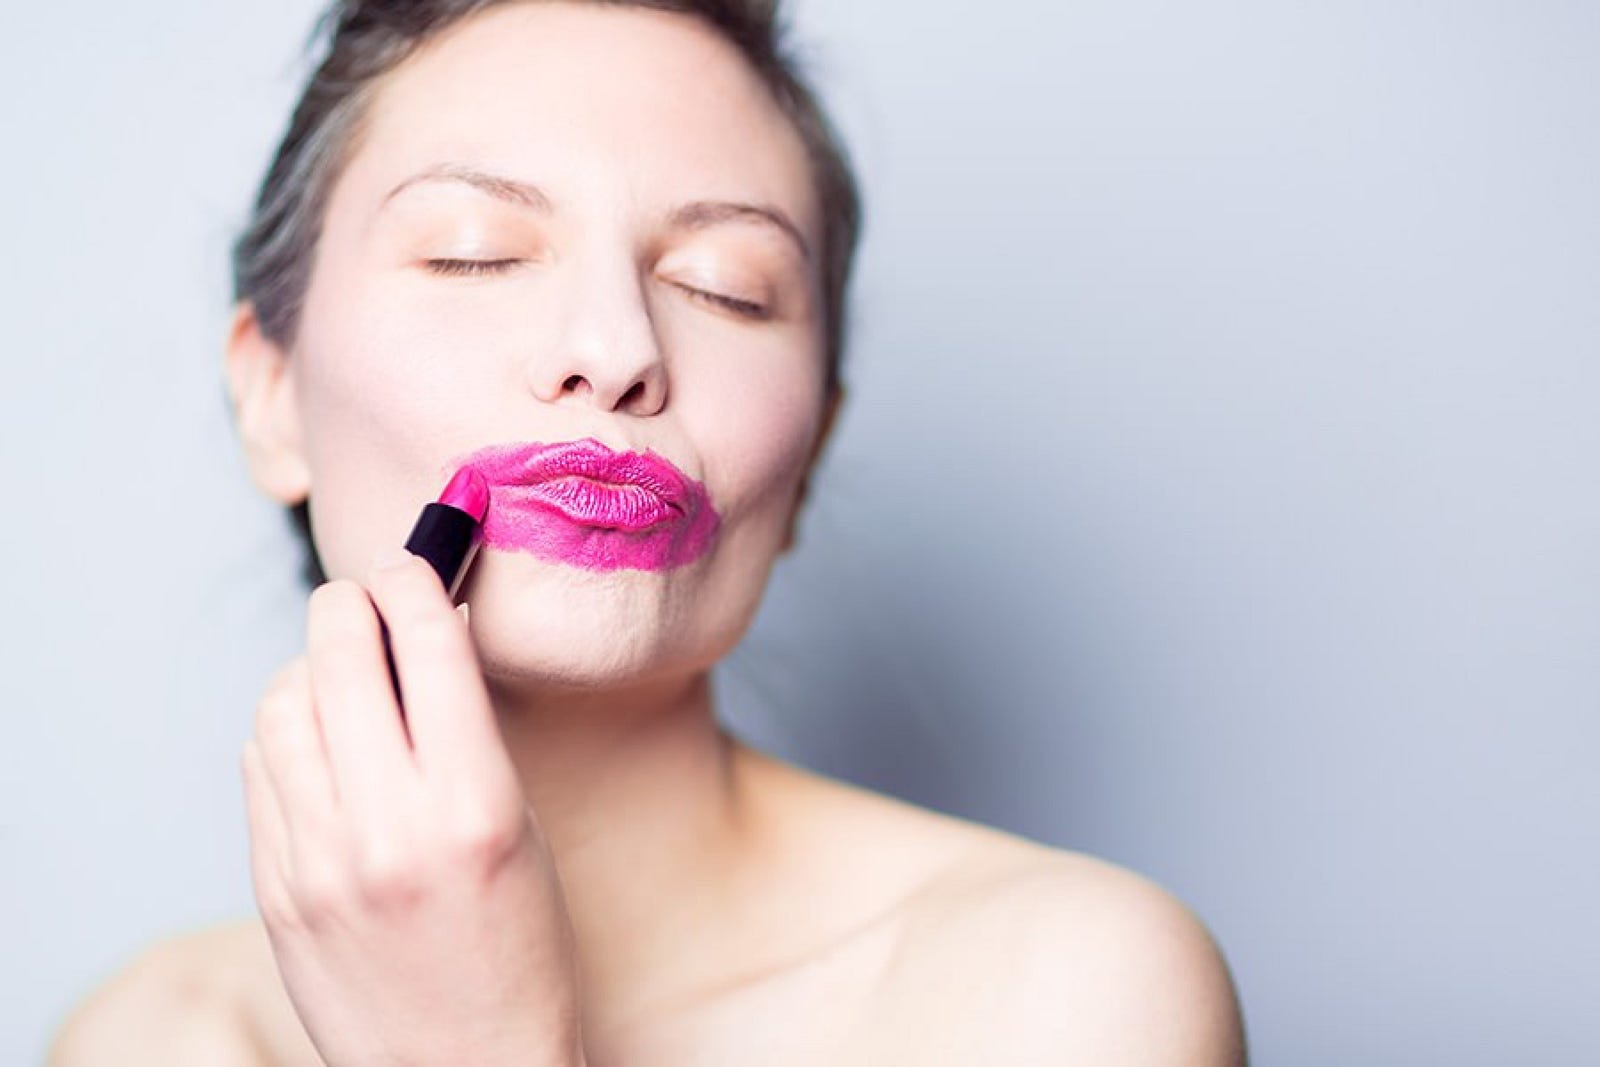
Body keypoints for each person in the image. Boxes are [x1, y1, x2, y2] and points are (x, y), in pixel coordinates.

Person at [50, 1, 1248, 1063]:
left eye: (726, 286)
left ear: (812, 450)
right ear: (269, 393)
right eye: (475, 254)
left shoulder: (1070, 993)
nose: (616, 349)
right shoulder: (150, 1038)